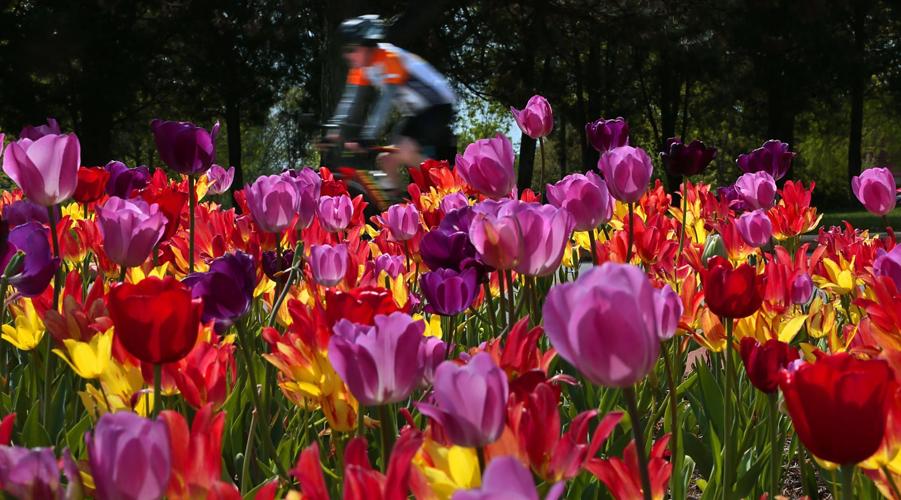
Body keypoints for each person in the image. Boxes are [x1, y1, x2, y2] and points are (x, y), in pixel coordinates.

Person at [325, 15, 457, 192]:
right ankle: (398, 206)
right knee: (386, 159)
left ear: (369, 45)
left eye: (351, 49)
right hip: (416, 112)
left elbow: (384, 103)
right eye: (345, 50)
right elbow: (350, 101)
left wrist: (367, 137)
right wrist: (333, 130)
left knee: (404, 150)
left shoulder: (390, 58)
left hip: (438, 105)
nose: (348, 56)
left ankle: (450, 185)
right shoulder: (361, 68)